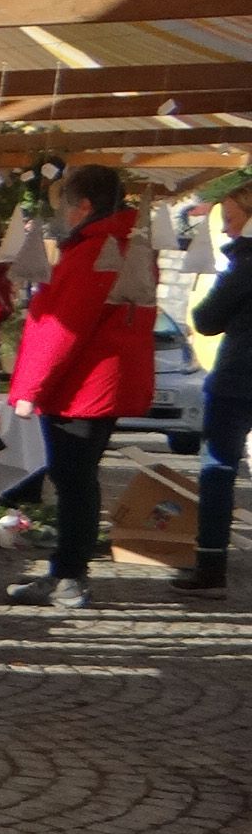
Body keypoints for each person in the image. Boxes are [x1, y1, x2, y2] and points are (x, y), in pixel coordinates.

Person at [3, 163, 155, 610]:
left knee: (74, 481)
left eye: (66, 206)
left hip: (82, 387)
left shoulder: (97, 250)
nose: (63, 215)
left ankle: (69, 577)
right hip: (96, 383)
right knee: (76, 480)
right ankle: (67, 573)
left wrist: (30, 389)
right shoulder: (125, 244)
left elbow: (63, 328)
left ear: (84, 206)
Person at [177, 170, 252, 594]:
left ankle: (210, 568)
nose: (225, 229)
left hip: (239, 379)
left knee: (219, 469)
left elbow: (206, 319)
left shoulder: (246, 262)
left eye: (231, 220)